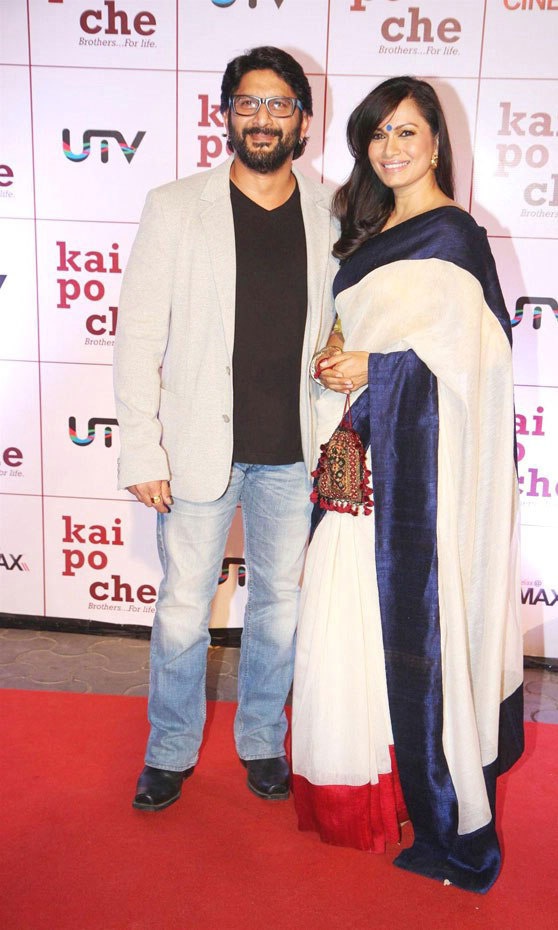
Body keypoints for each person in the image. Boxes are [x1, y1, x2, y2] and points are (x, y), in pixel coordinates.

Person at [291, 76, 524, 893]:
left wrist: (379, 369)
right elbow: (358, 332)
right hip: (356, 458)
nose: (390, 148)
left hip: (421, 472)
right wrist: (339, 357)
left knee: (417, 623)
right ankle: (373, 790)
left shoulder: (454, 234)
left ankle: (441, 810)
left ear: (435, 144)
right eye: (378, 133)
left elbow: (480, 361)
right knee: (349, 621)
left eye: (407, 132)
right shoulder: (363, 234)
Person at [113, 46, 337, 812]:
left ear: (303, 120)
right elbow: (138, 337)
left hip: (295, 453)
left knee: (280, 606)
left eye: (279, 105)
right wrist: (140, 448)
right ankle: (169, 750)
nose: (263, 118)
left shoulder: (335, 213)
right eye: (248, 103)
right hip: (196, 451)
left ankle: (263, 740)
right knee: (184, 607)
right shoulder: (176, 206)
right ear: (226, 115)